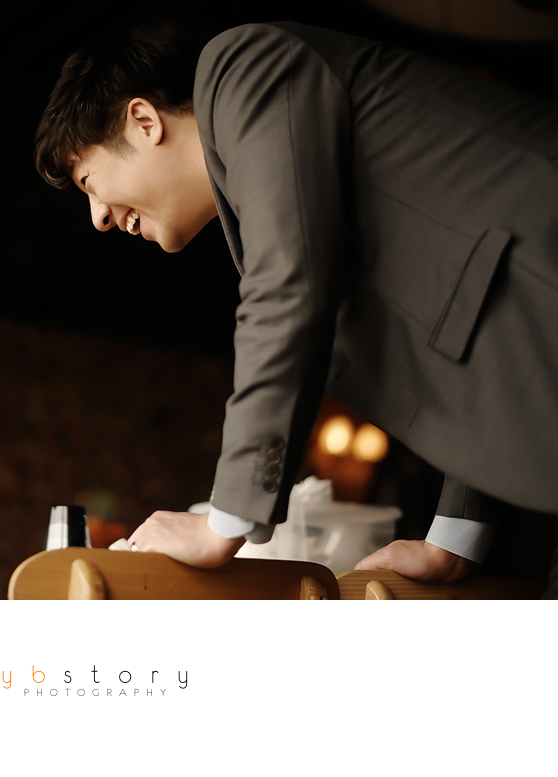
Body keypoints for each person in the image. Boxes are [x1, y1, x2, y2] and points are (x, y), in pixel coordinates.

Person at [33, 22, 558, 589]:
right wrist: (453, 540)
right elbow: (467, 316)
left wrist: (222, 522)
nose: (98, 217)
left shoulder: (245, 68)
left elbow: (285, 287)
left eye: (89, 183)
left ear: (143, 120)